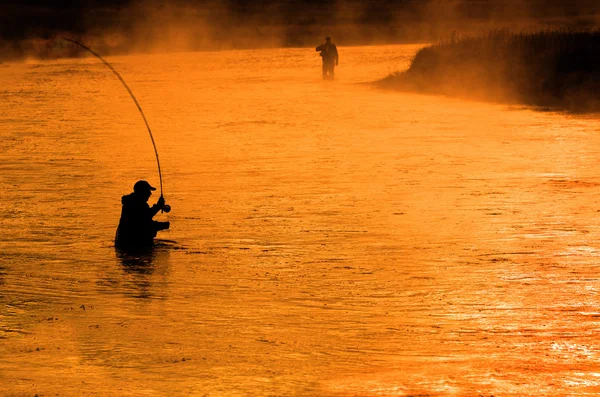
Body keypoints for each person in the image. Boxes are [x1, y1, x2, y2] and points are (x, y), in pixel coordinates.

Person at [115, 180, 170, 250]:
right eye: (148, 191)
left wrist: (158, 206)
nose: (150, 194)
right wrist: (161, 225)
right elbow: (144, 221)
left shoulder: (130, 202)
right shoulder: (137, 204)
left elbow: (144, 219)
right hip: (134, 243)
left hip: (123, 242)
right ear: (142, 192)